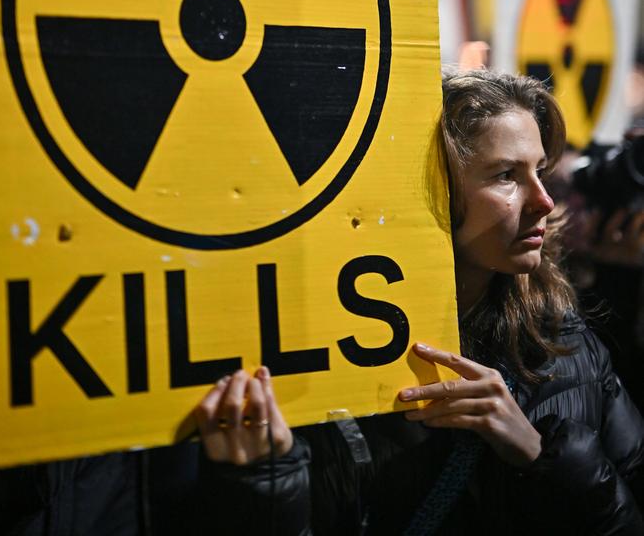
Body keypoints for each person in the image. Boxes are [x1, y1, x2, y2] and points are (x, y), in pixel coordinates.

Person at [194, 69, 644, 535]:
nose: (544, 201)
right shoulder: (325, 360)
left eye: (540, 170)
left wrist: (538, 452)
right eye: (507, 176)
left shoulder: (567, 344)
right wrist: (265, 485)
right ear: (429, 191)